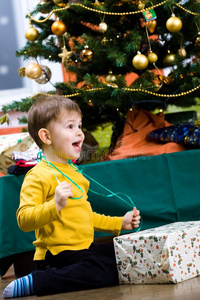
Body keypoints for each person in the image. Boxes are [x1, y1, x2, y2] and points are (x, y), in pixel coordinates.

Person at [3, 95, 140, 298]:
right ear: (46, 137)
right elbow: (24, 220)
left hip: (84, 250)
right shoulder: (38, 176)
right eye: (70, 127)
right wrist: (55, 205)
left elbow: (84, 215)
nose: (80, 132)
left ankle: (60, 276)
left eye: (80, 125)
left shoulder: (74, 173)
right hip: (57, 255)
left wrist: (120, 223)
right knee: (105, 270)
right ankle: (38, 281)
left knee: (126, 257)